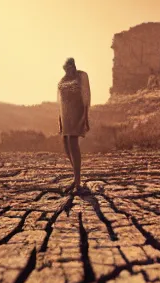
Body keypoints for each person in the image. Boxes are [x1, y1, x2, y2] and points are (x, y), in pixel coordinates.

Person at [58, 57, 91, 194]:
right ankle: (75, 177)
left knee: (73, 143)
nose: (69, 70)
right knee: (66, 144)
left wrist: (85, 117)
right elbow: (60, 101)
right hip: (65, 115)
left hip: (77, 112)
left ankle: (77, 183)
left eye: (71, 67)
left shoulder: (82, 76)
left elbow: (86, 96)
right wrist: (59, 120)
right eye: (66, 68)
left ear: (74, 66)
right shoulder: (62, 80)